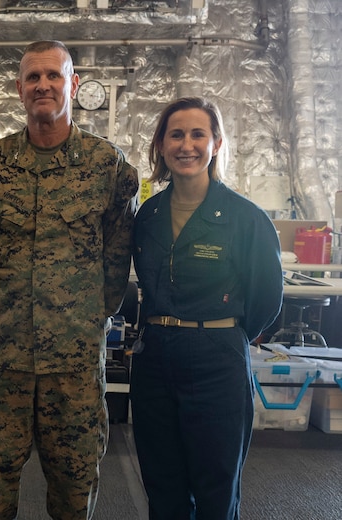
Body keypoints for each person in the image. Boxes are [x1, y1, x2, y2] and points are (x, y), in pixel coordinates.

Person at [0, 40, 139, 519]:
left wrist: (85, 320)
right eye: (33, 78)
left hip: (73, 365)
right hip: (1, 363)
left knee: (73, 487)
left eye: (54, 76)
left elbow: (117, 259)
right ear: (19, 90)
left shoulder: (109, 167)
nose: (43, 85)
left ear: (73, 84)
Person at [130, 96, 283, 519]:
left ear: (216, 143)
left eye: (198, 134)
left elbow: (268, 298)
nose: (186, 144)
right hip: (155, 357)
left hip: (217, 358)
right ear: (161, 145)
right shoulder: (148, 214)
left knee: (216, 488)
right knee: (162, 486)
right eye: (175, 134)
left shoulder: (245, 218)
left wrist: (223, 334)